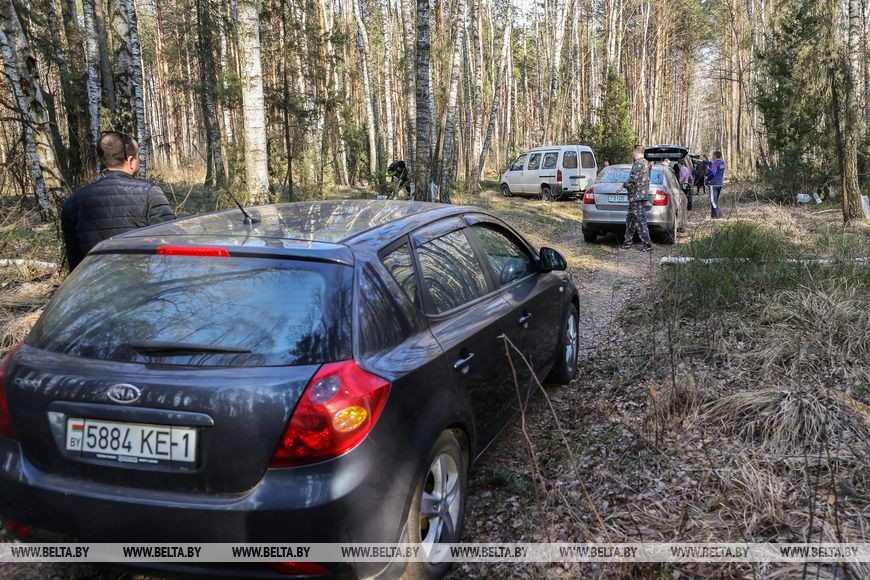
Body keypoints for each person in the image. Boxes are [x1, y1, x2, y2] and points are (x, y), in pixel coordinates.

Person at [61, 131, 175, 271]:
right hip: (141, 283)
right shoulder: (150, 193)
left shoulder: (73, 202)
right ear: (131, 161)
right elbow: (169, 245)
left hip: (94, 286)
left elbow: (75, 262)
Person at [620, 145, 653, 252]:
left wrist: (624, 185)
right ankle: (627, 242)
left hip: (637, 196)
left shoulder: (639, 163)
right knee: (630, 219)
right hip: (637, 196)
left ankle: (647, 243)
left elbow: (633, 179)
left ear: (636, 152)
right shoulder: (647, 163)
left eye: (633, 152)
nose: (632, 154)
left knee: (640, 220)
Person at [705, 151, 726, 219]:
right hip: (719, 184)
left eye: (713, 155)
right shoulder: (722, 163)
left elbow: (712, 172)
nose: (712, 157)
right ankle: (713, 215)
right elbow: (712, 164)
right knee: (715, 200)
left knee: (713, 201)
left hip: (713, 184)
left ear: (715, 156)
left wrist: (707, 177)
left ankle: (719, 215)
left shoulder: (715, 163)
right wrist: (704, 162)